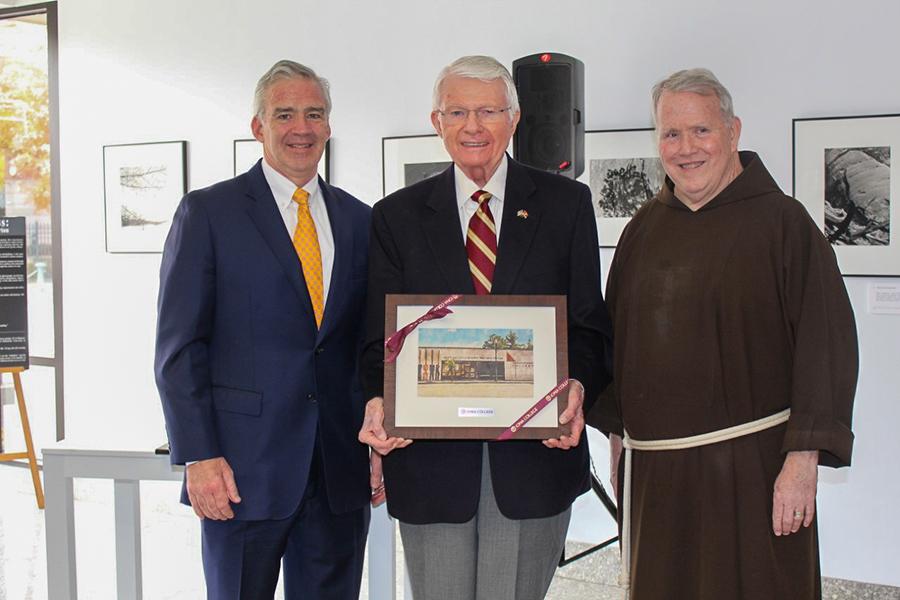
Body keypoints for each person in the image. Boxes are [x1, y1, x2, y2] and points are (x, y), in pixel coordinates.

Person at [592, 68, 858, 599]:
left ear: (733, 132)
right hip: (660, 485)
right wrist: (620, 443)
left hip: (756, 477)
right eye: (671, 134)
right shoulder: (641, 232)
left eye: (701, 131)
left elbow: (825, 347)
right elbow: (617, 345)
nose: (686, 148)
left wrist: (802, 464)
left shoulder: (784, 225)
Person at [358, 55, 612, 600]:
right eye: (458, 112)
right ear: (437, 121)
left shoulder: (567, 206)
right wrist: (379, 400)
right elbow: (376, 343)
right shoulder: (395, 217)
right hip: (430, 469)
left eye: (488, 111)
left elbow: (590, 327)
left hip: (532, 467)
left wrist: (578, 387)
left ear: (515, 119)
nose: (472, 126)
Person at [154, 60, 371, 600]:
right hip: (240, 471)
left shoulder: (360, 219)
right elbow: (179, 349)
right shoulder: (208, 212)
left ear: (328, 125)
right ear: (258, 126)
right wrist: (198, 455)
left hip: (338, 470)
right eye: (285, 114)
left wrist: (378, 445)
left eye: (314, 114)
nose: (302, 127)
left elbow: (369, 343)